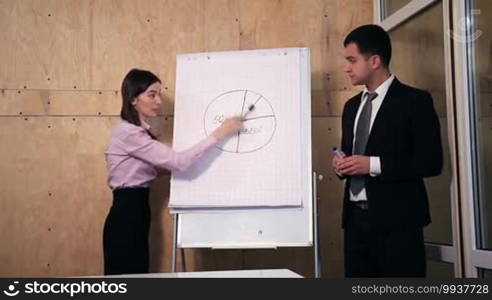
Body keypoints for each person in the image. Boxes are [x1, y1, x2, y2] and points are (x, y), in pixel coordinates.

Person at [103, 68, 243, 275]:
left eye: (159, 94)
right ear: (133, 99)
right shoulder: (129, 134)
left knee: (136, 275)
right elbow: (179, 162)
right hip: (127, 214)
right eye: (152, 95)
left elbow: (153, 169)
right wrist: (221, 133)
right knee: (127, 278)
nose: (159, 101)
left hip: (136, 210)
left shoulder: (136, 132)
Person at [332, 25, 443, 277]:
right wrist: (342, 165)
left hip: (398, 227)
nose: (346, 68)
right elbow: (352, 155)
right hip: (354, 226)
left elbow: (431, 162)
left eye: (352, 60)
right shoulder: (351, 107)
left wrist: (371, 165)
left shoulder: (415, 101)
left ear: (374, 61)